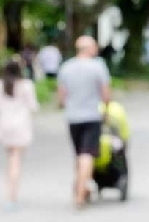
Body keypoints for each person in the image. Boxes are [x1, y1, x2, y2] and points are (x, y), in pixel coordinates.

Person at [57, 36, 112, 208]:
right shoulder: (98, 66)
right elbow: (106, 94)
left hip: (72, 118)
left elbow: (61, 98)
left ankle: (80, 186)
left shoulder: (66, 67)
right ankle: (81, 193)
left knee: (79, 153)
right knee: (87, 155)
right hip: (91, 116)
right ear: (89, 48)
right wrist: (106, 110)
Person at [0, 59, 39, 210]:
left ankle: (11, 194)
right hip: (21, 127)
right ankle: (12, 197)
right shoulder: (26, 85)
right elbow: (33, 106)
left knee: (11, 158)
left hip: (4, 127)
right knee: (15, 161)